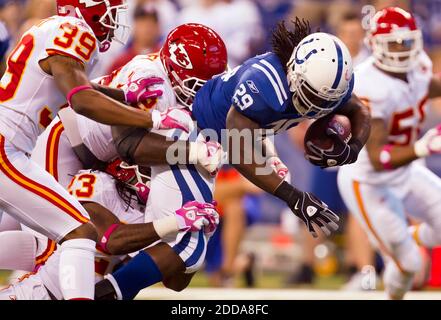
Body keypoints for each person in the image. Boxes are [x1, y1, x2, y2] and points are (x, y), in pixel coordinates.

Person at [94, 18, 372, 300]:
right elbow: (238, 148)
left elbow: (359, 109)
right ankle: (102, 294)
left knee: (179, 278)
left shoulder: (327, 83)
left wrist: (354, 148)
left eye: (326, 102)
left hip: (215, 149)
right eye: (312, 96)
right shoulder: (264, 82)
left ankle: (114, 275)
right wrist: (292, 197)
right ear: (294, 72)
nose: (317, 109)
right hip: (192, 137)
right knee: (186, 248)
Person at [0, 0, 190, 300]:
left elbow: (77, 87)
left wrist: (125, 95)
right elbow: (82, 100)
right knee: (81, 233)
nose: (115, 22)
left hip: (13, 144)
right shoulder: (76, 31)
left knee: (50, 243)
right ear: (92, 9)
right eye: (111, 12)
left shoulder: (52, 27)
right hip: (7, 146)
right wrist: (151, 117)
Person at [0, 160, 219, 299]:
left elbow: (175, 283)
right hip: (42, 294)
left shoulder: (154, 215)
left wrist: (198, 238)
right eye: (150, 169)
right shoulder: (96, 184)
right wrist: (175, 223)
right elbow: (111, 240)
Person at [337, 7, 441, 299]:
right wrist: (423, 146)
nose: (402, 48)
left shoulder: (417, 64)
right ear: (375, 44)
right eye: (394, 42)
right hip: (369, 180)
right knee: (410, 263)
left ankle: (407, 238)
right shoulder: (369, 85)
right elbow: (378, 158)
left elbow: (426, 87)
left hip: (405, 170)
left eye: (407, 41)